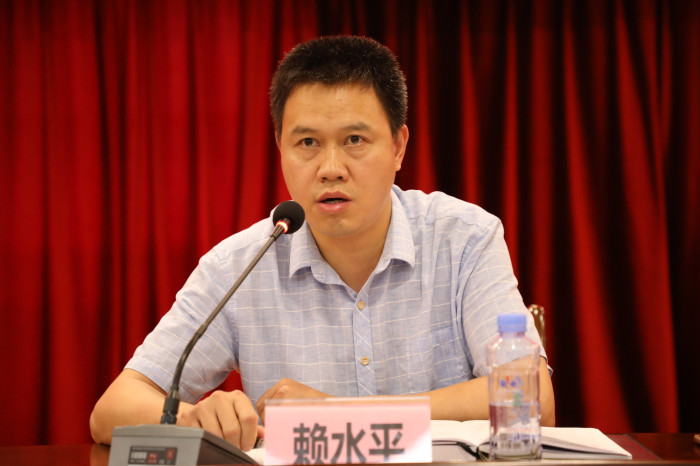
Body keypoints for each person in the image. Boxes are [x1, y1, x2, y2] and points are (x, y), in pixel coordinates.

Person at [90, 35, 555, 450]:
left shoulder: (464, 238)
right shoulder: (240, 265)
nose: (331, 168)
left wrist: (338, 414)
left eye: (354, 139)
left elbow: (530, 398)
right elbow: (112, 410)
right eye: (308, 143)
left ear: (398, 147)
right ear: (280, 148)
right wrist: (194, 421)